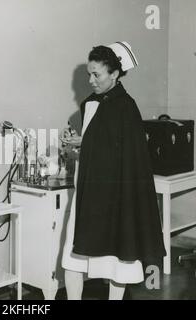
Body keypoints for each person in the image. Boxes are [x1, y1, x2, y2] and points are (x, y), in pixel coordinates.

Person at [61, 42, 166, 300]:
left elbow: (124, 156)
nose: (91, 80)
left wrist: (84, 141)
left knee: (117, 262)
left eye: (97, 74)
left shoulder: (126, 107)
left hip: (114, 198)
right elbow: (96, 143)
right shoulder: (90, 105)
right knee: (73, 258)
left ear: (115, 74)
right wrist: (78, 139)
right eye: (89, 73)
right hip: (88, 194)